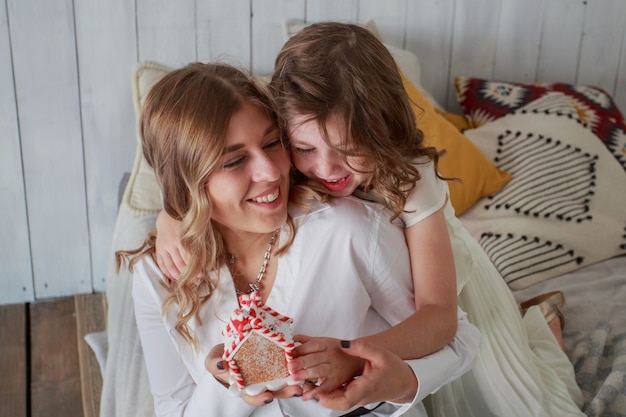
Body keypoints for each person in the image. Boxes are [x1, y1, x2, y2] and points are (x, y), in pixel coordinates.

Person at [118, 62, 480, 417]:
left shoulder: (348, 230)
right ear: (186, 184)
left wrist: (398, 380)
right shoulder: (157, 275)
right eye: (234, 161)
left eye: (273, 143)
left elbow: (456, 337)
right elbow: (172, 408)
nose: (271, 170)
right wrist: (225, 385)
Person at [267, 22, 585, 416]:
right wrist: (178, 222)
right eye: (304, 148)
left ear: (383, 127)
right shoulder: (283, 165)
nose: (326, 168)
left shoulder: (411, 178)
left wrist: (357, 354)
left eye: (348, 148)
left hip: (440, 300)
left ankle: (544, 328)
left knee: (521, 399)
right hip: (373, 303)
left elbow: (439, 318)